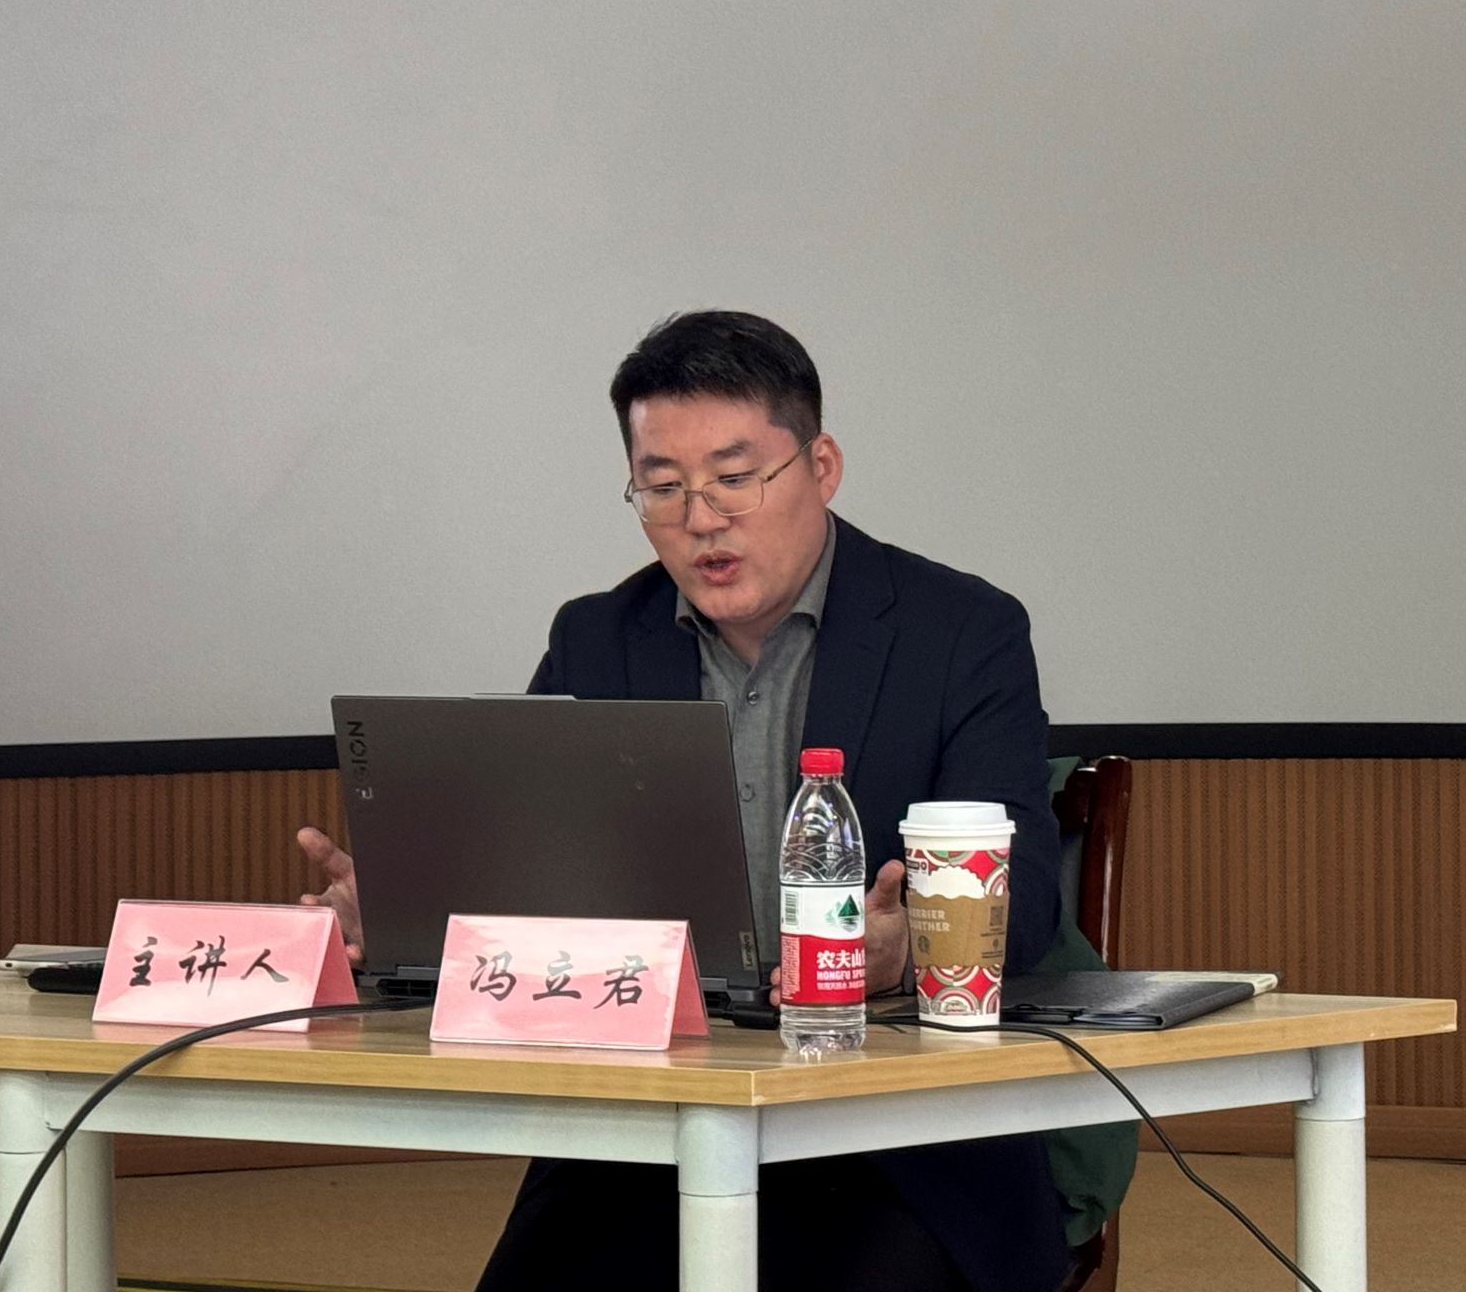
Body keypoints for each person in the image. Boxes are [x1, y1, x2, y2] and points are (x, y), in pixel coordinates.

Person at [299, 310, 1104, 1291]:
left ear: (820, 466)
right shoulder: (598, 638)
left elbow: (1024, 902)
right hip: (648, 1134)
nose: (700, 518)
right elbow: (530, 901)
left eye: (733, 478)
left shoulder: (960, 631)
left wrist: (907, 950)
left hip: (898, 1141)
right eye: (663, 486)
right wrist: (412, 915)